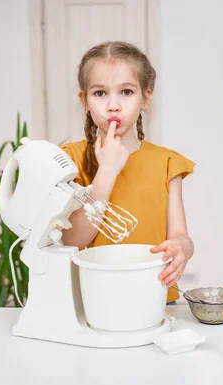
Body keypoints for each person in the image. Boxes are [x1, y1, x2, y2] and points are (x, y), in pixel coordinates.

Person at [60, 41, 195, 305]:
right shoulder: (68, 160)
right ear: (84, 100)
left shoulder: (167, 162)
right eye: (100, 93)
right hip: (95, 298)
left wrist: (183, 248)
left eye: (126, 92)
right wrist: (107, 171)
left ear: (145, 97)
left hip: (156, 297)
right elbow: (71, 239)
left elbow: (180, 235)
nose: (113, 105)